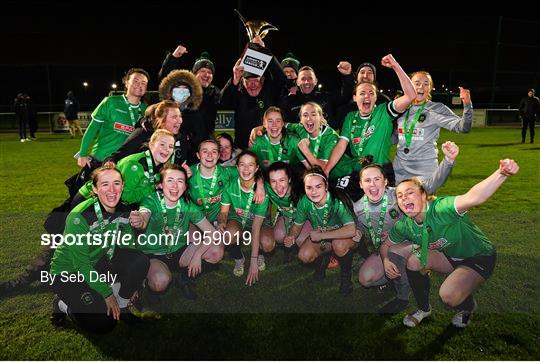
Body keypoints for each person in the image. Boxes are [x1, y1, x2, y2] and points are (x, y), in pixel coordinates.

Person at [388, 159, 519, 328]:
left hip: (479, 256)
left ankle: (468, 308)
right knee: (414, 261)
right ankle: (423, 308)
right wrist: (385, 259)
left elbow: (474, 197)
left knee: (449, 295)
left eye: (410, 192)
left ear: (423, 196)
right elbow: (387, 243)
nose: (404, 198)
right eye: (400, 195)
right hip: (450, 255)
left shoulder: (441, 209)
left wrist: (501, 173)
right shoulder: (405, 224)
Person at [354, 141, 459, 314]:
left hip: (413, 241)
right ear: (360, 184)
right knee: (366, 279)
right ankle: (402, 277)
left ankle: (403, 296)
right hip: (386, 247)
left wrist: (448, 161)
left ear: (385, 181)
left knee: (395, 252)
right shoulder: (358, 208)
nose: (372, 185)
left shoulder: (399, 194)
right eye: (367, 181)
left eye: (377, 179)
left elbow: (431, 185)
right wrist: (357, 232)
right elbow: (359, 227)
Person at [49, 165, 150, 333]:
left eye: (116, 183)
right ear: (95, 189)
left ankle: (123, 306)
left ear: (122, 186)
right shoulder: (79, 216)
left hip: (96, 264)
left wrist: (134, 281)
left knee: (139, 260)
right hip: (68, 273)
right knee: (103, 323)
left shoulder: (123, 210)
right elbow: (82, 265)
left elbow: (127, 245)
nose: (112, 189)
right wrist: (107, 294)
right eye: (105, 184)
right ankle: (61, 304)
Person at [130, 165, 223, 301]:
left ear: (185, 186)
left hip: (178, 251)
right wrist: (140, 221)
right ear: (160, 185)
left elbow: (213, 234)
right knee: (160, 282)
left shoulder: (187, 205)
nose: (175, 186)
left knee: (216, 250)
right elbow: (144, 215)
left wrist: (197, 255)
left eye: (180, 181)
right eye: (170, 180)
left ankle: (184, 278)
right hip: (153, 254)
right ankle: (148, 283)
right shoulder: (151, 201)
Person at [325, 54, 416, 190]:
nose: (366, 96)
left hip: (381, 171)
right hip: (359, 172)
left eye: (371, 93)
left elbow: (410, 95)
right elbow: (341, 145)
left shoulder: (384, 111)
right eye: (362, 93)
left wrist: (395, 66)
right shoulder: (350, 117)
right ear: (355, 98)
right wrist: (327, 170)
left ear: (375, 97)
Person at [286, 166, 356, 295]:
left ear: (326, 185)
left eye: (318, 186)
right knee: (304, 256)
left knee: (339, 245)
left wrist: (323, 235)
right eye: (309, 188)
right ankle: (324, 259)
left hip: (345, 236)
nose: (314, 192)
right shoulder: (304, 201)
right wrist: (291, 236)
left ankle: (346, 276)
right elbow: (297, 225)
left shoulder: (337, 201)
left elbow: (352, 230)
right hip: (324, 236)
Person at [393, 71, 472, 184]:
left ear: (430, 88)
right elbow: (397, 136)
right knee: (400, 201)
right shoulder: (401, 108)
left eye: (426, 84)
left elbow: (463, 127)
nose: (421, 87)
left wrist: (467, 104)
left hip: (424, 170)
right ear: (409, 85)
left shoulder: (436, 109)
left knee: (423, 201)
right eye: (417, 83)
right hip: (400, 169)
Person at [220, 36, 286, 149]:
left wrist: (265, 53)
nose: (253, 84)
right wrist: (234, 80)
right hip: (242, 149)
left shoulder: (269, 91)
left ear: (262, 80)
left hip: (268, 147)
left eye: (256, 80)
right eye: (248, 81)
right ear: (242, 81)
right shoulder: (237, 93)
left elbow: (282, 78)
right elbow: (222, 102)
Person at [217, 150, 273, 285]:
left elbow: (256, 228)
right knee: (227, 235)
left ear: (257, 168)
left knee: (268, 243)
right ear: (237, 167)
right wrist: (221, 222)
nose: (246, 169)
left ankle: (259, 254)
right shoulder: (230, 186)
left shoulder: (262, 192)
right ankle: (239, 258)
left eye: (251, 165)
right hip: (238, 220)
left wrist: (253, 261)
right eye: (242, 164)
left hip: (258, 223)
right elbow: (224, 212)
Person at [160, 46, 219, 162]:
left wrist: (235, 80)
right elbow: (165, 79)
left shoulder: (214, 92)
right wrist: (173, 58)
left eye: (210, 72)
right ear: (194, 74)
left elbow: (227, 98)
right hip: (181, 146)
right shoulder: (184, 90)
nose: (206, 75)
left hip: (201, 150)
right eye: (202, 71)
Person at [106, 100, 189, 167]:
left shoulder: (181, 139)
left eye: (180, 116)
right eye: (174, 117)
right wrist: (110, 163)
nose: (180, 121)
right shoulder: (143, 133)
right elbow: (116, 157)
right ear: (161, 119)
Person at [287, 102, 357, 179]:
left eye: (313, 114)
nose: (309, 118)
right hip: (322, 177)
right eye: (305, 115)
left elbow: (323, 170)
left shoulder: (330, 136)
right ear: (301, 119)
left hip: (344, 174)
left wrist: (306, 151)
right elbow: (286, 125)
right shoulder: (301, 128)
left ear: (320, 117)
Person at [280, 62, 354, 129]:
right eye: (303, 79)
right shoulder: (290, 102)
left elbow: (345, 96)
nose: (306, 82)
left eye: (310, 78)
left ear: (316, 81)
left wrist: (347, 76)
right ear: (297, 82)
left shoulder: (326, 97)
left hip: (326, 142)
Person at [266, 161, 312, 262]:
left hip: (306, 219)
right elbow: (255, 175)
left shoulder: (304, 192)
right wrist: (260, 185)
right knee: (278, 235)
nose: (278, 186)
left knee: (301, 239)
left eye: (282, 180)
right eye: (273, 181)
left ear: (289, 179)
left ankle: (321, 261)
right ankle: (290, 249)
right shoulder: (268, 188)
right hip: (287, 216)